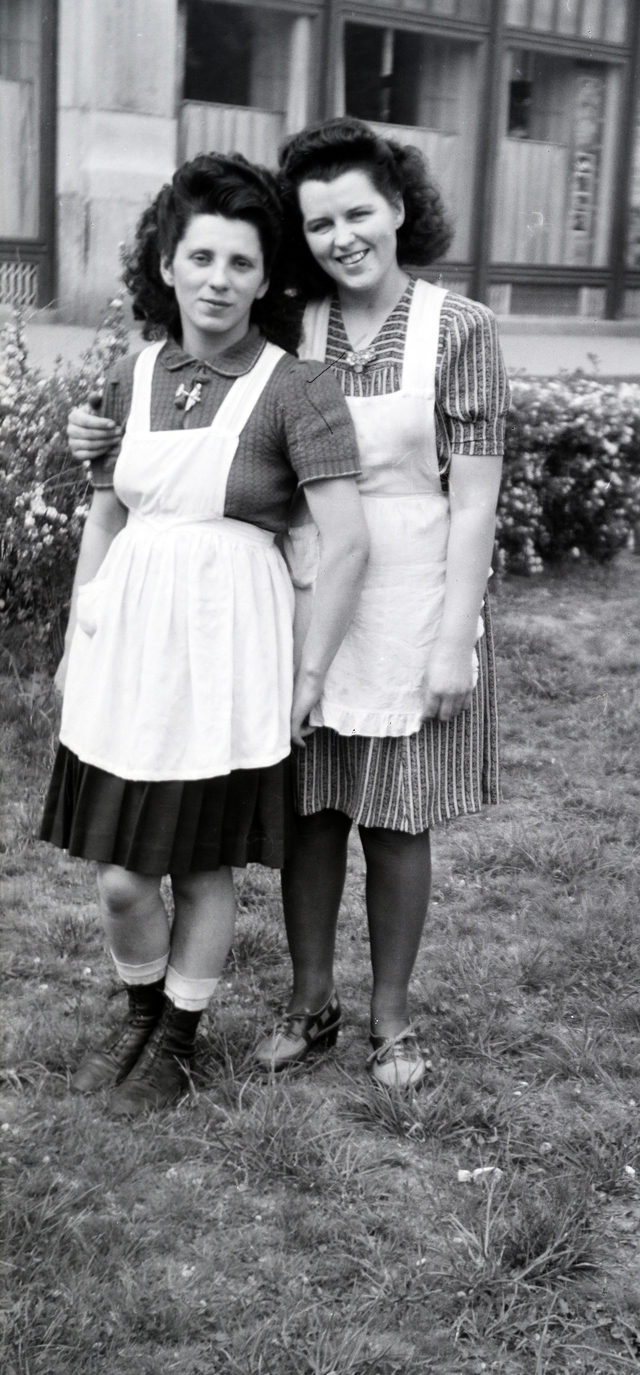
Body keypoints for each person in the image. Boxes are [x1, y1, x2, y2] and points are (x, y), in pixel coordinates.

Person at [70, 120, 509, 1092]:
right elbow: (202, 401)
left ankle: (390, 1017)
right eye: (318, 223)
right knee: (311, 813)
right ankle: (309, 1001)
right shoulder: (295, 320)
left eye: (358, 212)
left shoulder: (461, 329)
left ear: (398, 208)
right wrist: (95, 429)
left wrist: (451, 640)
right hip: (297, 587)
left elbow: (474, 498)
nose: (341, 236)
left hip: (411, 593)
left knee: (396, 819)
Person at [45, 153, 370, 1115]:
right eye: (201, 258)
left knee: (202, 860)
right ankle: (143, 1005)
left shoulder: (296, 388)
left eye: (240, 262)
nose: (219, 280)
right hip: (132, 640)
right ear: (169, 263)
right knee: (119, 878)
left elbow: (345, 542)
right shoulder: (129, 373)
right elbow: (105, 516)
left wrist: (310, 674)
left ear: (266, 278)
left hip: (232, 645)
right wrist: (78, 633)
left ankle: (177, 1037)